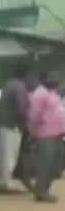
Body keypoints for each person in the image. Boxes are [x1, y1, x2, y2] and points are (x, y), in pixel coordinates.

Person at [26, 73, 65, 203]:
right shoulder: (39, 94)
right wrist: (32, 132)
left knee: (57, 164)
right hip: (45, 134)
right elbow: (34, 116)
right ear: (43, 81)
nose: (55, 80)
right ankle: (41, 192)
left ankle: (44, 190)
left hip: (58, 134)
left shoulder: (52, 93)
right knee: (45, 164)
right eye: (52, 78)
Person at [0, 65, 30, 193]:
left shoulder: (7, 85)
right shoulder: (20, 87)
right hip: (13, 125)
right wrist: (24, 125)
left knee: (1, 155)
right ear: (25, 76)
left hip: (2, 123)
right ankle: (6, 183)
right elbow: (21, 108)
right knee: (10, 155)